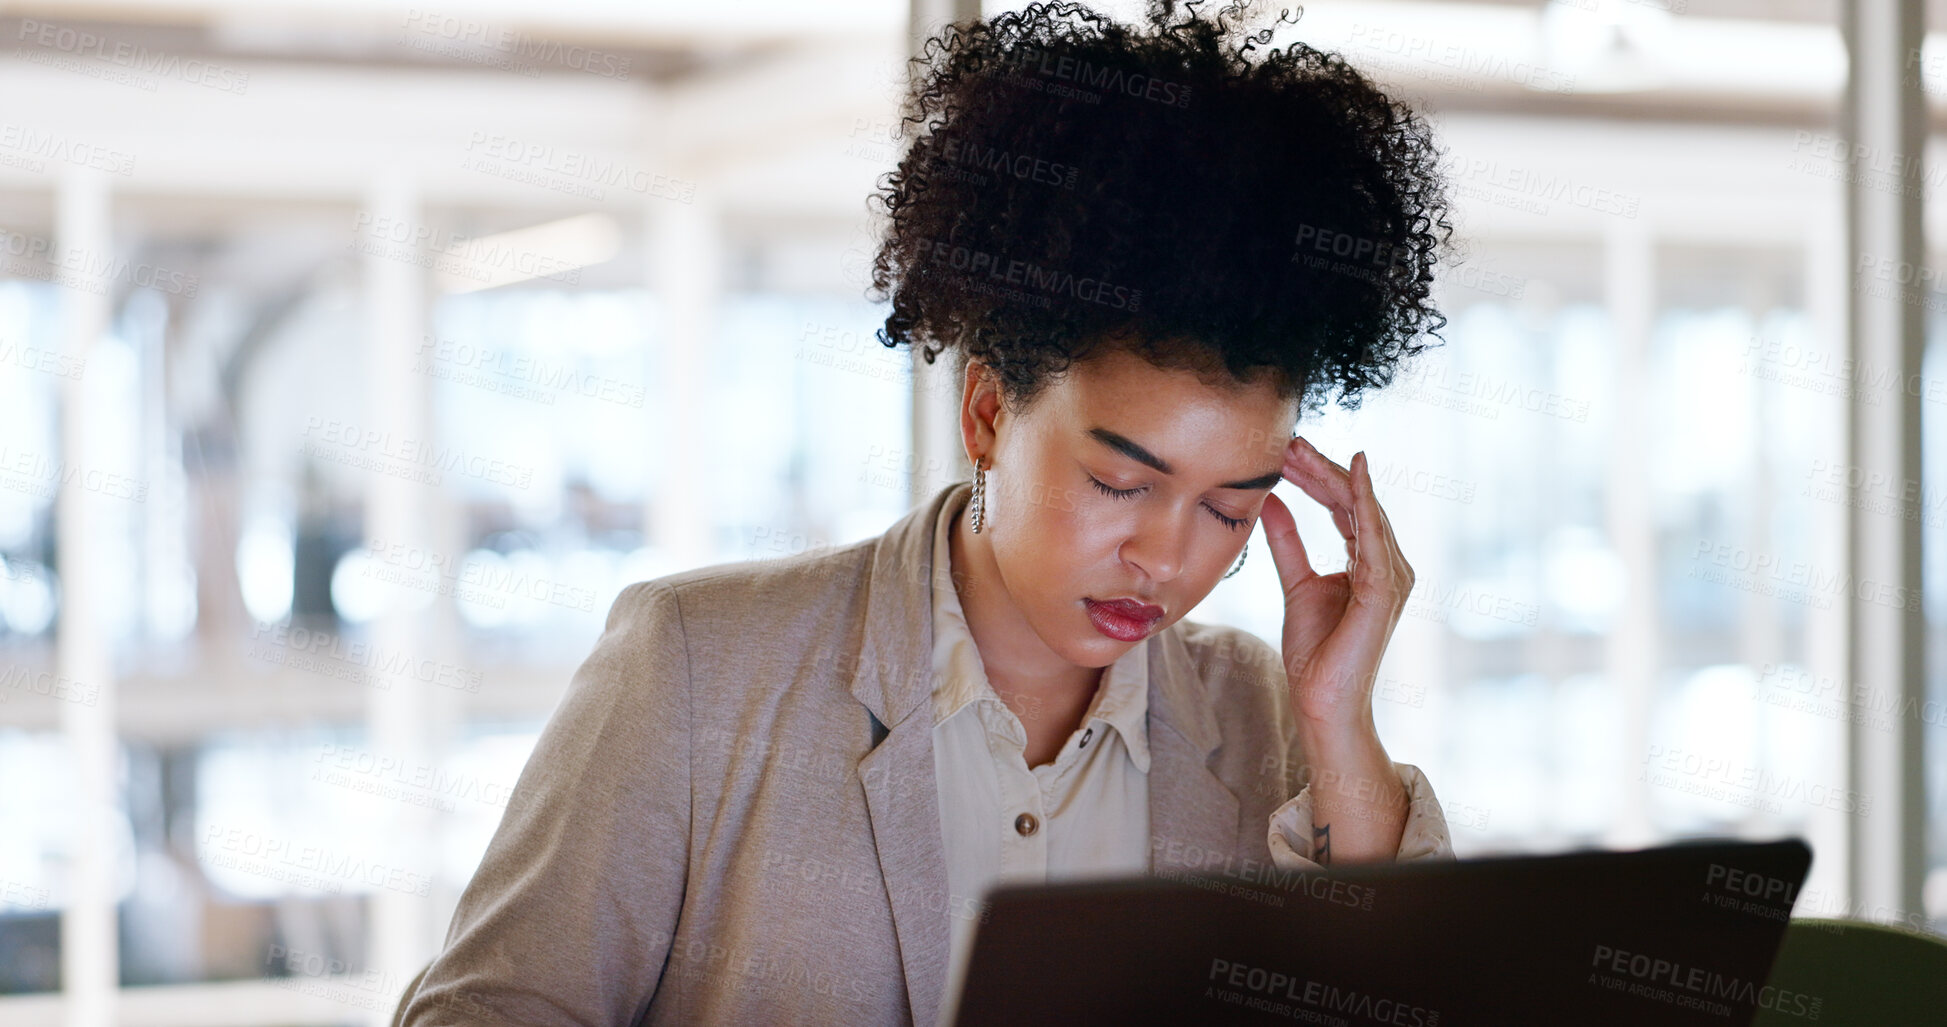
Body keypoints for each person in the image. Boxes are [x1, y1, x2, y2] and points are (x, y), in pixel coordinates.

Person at [401, 1, 1458, 1024]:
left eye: (1231, 510)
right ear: (989, 409)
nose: (1166, 558)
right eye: (1121, 484)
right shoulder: (696, 668)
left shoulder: (1259, 716)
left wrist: (1338, 724)